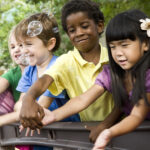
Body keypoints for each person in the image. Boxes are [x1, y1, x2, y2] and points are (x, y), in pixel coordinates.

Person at [19, 0, 120, 142]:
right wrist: (28, 99)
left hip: (123, 128)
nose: (79, 33)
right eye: (72, 30)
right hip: (90, 132)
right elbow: (44, 80)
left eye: (84, 26)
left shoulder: (116, 56)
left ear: (99, 26)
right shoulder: (66, 61)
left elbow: (125, 101)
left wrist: (106, 125)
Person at [15, 12, 80, 150]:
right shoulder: (29, 70)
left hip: (66, 133)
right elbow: (20, 103)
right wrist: (23, 110)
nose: (23, 50)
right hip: (40, 128)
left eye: (28, 44)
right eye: (21, 45)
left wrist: (22, 114)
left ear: (50, 44)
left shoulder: (57, 66)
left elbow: (42, 104)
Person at [91, 9, 150, 149]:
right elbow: (83, 99)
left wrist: (108, 132)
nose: (118, 53)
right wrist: (54, 115)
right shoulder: (117, 74)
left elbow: (137, 115)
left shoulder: (148, 77)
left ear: (146, 44)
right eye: (112, 47)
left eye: (124, 45)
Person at [0, 26, 31, 150]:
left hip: (33, 115)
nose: (16, 50)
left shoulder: (38, 70)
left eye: (21, 45)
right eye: (12, 47)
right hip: (18, 122)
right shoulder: (13, 73)